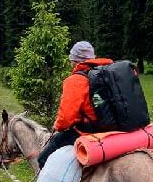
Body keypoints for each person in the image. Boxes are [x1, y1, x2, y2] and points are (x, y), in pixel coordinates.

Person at [37, 41, 113, 170]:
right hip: (111, 127)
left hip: (87, 131)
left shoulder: (75, 80)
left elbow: (66, 118)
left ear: (74, 60)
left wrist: (57, 126)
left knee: (43, 158)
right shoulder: (106, 73)